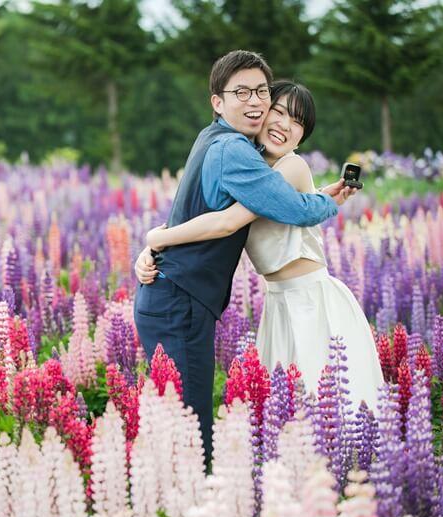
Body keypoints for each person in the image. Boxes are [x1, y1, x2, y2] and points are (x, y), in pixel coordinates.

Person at [132, 50, 355, 464]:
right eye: (242, 93)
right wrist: (152, 242)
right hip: (180, 298)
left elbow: (206, 212)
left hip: (180, 296)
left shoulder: (215, 140)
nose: (256, 103)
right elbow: (244, 218)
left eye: (261, 92)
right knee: (190, 427)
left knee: (182, 419)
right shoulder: (236, 152)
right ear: (218, 101)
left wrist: (155, 241)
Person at [141, 80, 381, 412]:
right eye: (278, 112)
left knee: (324, 407)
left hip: (312, 302)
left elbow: (228, 221)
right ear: (263, 114)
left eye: (296, 122)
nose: (284, 124)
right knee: (280, 413)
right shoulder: (247, 169)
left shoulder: (291, 167)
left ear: (302, 136)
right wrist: (150, 252)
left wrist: (157, 238)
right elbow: (202, 216)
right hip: (278, 303)